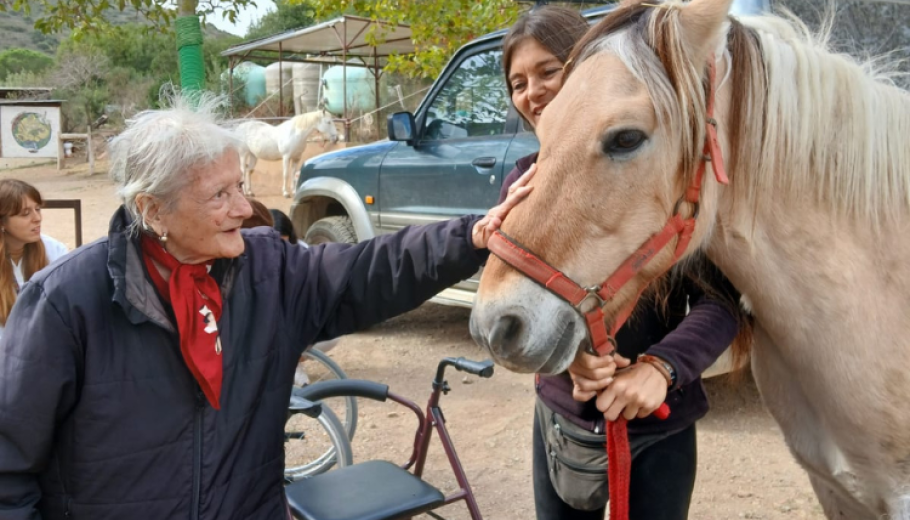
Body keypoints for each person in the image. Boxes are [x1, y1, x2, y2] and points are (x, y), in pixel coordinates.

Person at [0, 92, 532, 520]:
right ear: (152, 208)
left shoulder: (268, 270)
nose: (243, 208)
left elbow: (372, 269)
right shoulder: (67, 300)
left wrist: (475, 236)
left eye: (240, 186)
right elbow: (9, 465)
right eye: (218, 195)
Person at [499, 6, 743, 520]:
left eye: (548, 71)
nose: (532, 92)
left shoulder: (658, 173)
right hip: (563, 422)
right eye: (518, 82)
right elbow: (517, 303)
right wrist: (568, 361)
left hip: (660, 425)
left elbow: (720, 301)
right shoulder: (520, 185)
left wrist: (662, 368)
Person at [0, 179, 68, 339]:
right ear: (2, 222)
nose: (37, 218)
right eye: (25, 214)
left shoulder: (55, 250)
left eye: (38, 209)